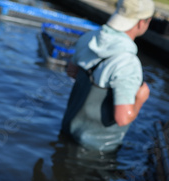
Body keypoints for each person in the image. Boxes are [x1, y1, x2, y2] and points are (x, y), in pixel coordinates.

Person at [60, 0, 153, 153]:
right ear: (142, 23)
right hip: (96, 150)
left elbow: (71, 71)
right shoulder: (128, 63)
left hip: (67, 131)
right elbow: (122, 118)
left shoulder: (89, 38)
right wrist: (140, 99)